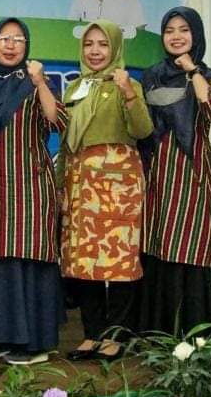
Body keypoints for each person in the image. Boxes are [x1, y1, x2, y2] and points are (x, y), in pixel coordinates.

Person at [0, 18, 68, 365]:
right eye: (4, 38)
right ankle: (2, 337)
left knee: (30, 261)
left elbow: (58, 121)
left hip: (31, 188)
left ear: (27, 47)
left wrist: (39, 83)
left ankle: (36, 344)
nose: (10, 45)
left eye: (18, 39)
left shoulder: (35, 84)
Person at [59, 20, 153, 361]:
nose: (95, 51)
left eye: (102, 44)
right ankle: (92, 334)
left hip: (118, 185)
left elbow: (143, 130)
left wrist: (128, 92)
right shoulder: (75, 88)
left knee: (120, 261)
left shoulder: (128, 83)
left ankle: (117, 336)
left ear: (114, 48)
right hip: (81, 182)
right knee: (85, 262)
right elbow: (67, 141)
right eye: (89, 44)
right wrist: (60, 184)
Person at [139, 7, 211, 335]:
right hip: (156, 172)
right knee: (156, 244)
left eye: (184, 29)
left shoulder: (209, 76)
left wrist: (193, 70)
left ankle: (195, 332)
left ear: (196, 35)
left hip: (192, 173)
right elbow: (141, 125)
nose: (176, 36)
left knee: (190, 244)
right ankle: (158, 331)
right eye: (169, 30)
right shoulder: (151, 75)